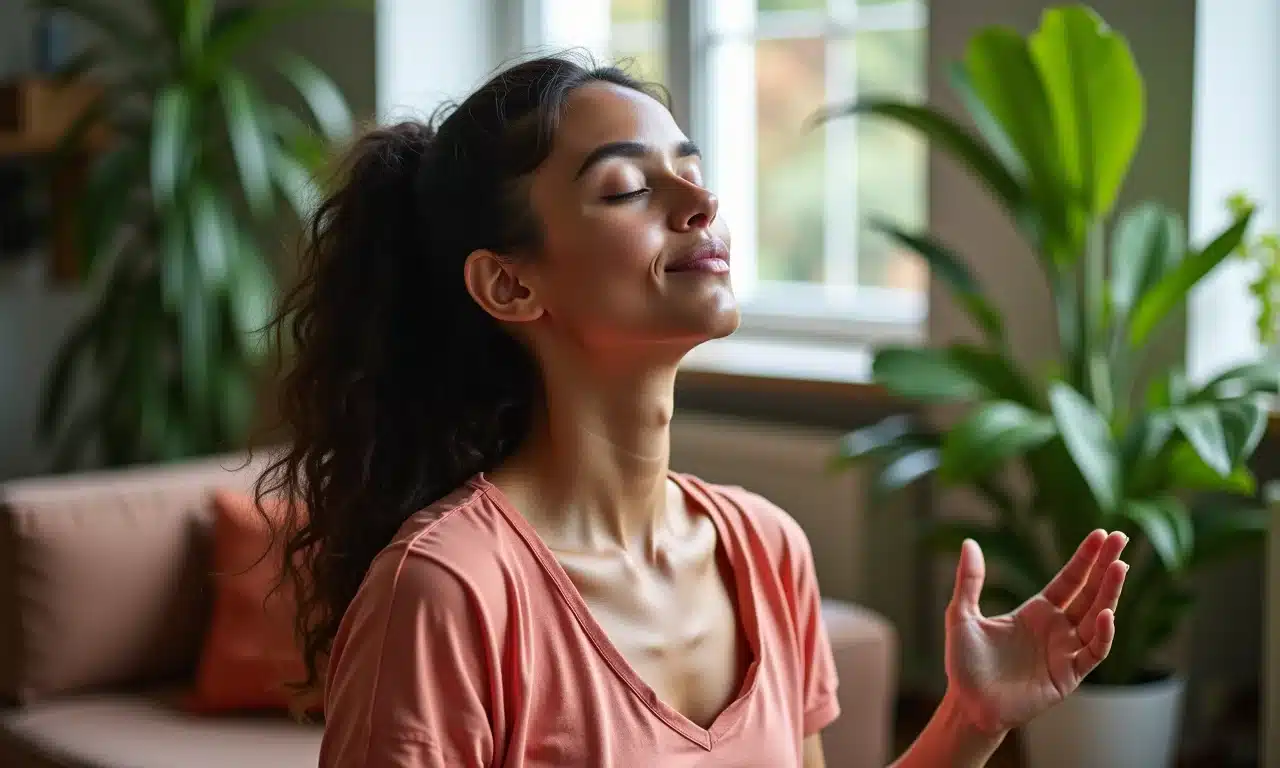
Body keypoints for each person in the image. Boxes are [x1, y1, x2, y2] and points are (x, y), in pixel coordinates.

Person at [256, 54, 1130, 767]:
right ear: (510, 283)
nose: (701, 204)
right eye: (628, 189)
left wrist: (972, 719)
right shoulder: (447, 592)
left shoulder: (765, 548)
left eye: (692, 172)